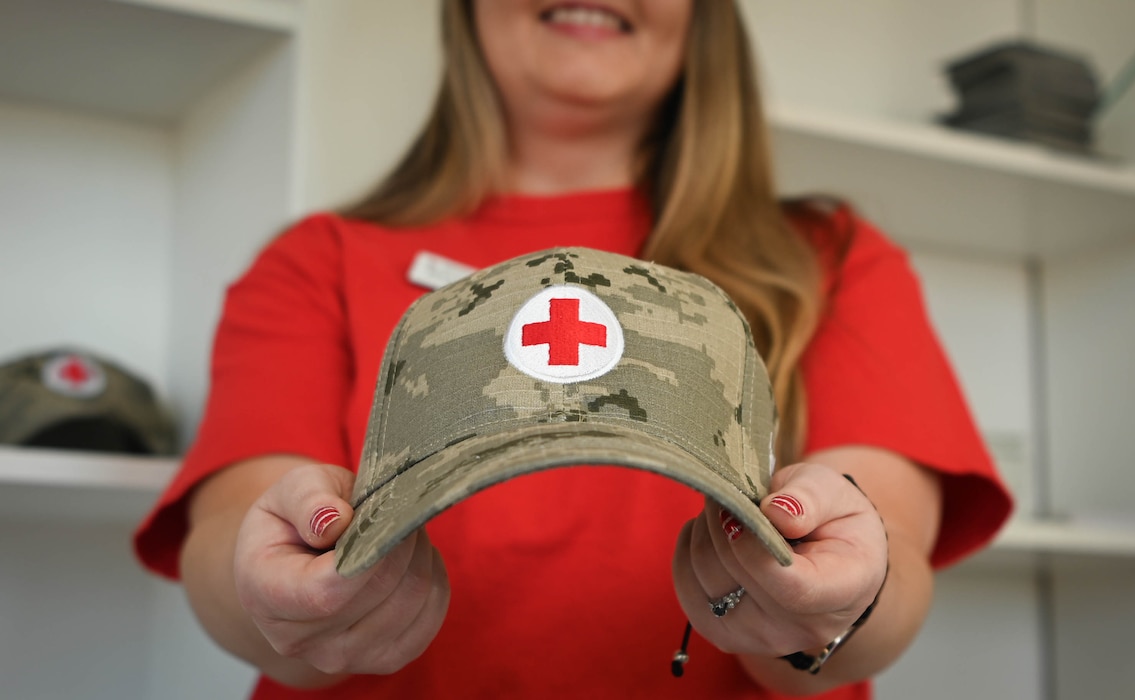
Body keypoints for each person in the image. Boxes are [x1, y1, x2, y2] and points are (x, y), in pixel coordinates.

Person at [134, 1, 1012, 698]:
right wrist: (279, 588)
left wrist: (827, 597)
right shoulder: (316, 261)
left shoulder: (826, 259)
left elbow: (885, 567)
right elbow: (234, 533)